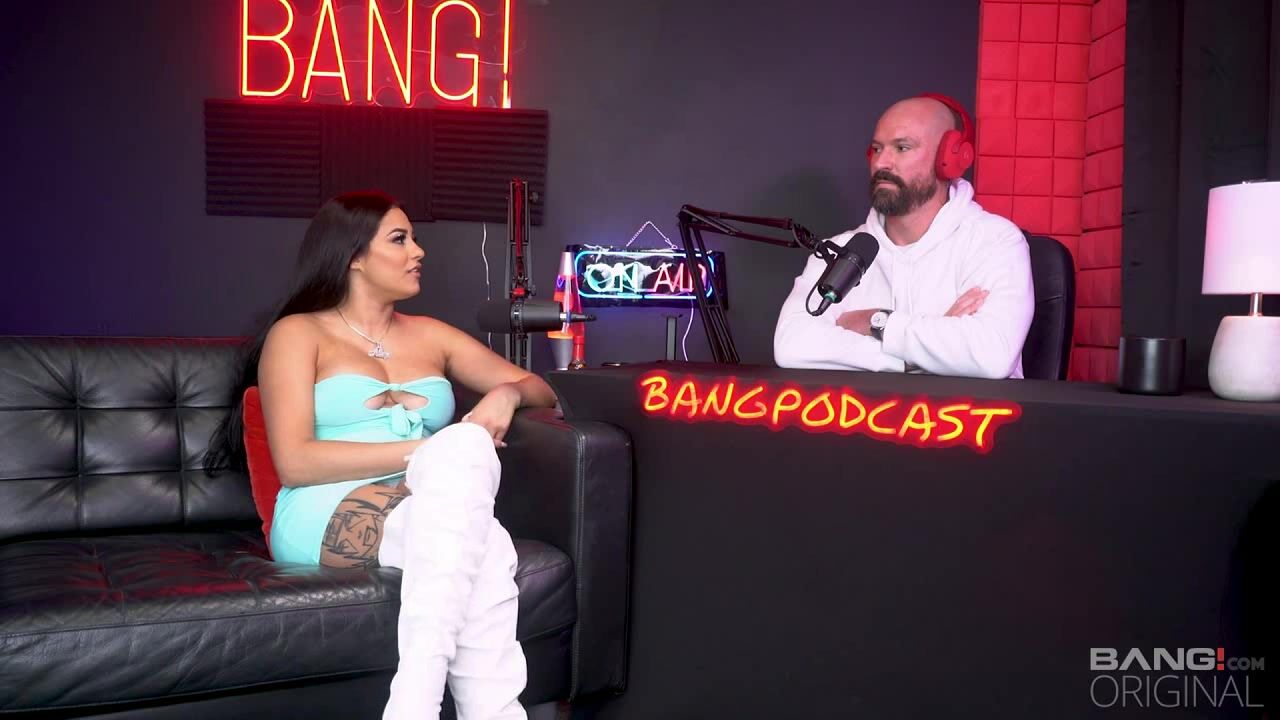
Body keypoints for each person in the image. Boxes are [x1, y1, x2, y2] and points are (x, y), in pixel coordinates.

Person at [206, 191, 556, 720]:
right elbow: (296, 462)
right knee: (473, 493)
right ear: (353, 255)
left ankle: (419, 705)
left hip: (426, 502)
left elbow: (541, 390)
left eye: (414, 238)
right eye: (399, 239)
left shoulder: (432, 335)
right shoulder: (298, 334)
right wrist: (434, 450)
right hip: (323, 506)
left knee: (484, 543)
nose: (418, 251)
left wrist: (506, 394)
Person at [774, 94, 1035, 379]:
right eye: (877, 149)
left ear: (949, 159)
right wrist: (922, 358)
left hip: (968, 410)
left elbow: (991, 355)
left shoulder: (995, 241)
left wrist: (876, 322)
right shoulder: (837, 250)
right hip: (865, 410)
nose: (881, 163)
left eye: (902, 147)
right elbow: (792, 345)